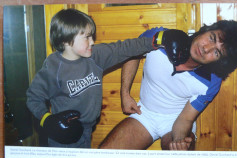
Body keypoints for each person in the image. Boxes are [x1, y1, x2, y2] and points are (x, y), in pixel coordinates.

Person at [26, 8, 176, 148]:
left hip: (86, 131)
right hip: (62, 136)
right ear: (66, 40)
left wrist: (156, 40)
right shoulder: (54, 67)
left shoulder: (95, 56)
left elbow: (124, 48)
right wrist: (47, 119)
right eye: (87, 37)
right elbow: (33, 97)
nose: (92, 41)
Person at [99, 20, 237, 150]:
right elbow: (132, 52)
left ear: (220, 62)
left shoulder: (211, 82)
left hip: (176, 119)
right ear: (206, 30)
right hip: (144, 114)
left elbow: (185, 118)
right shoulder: (162, 37)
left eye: (217, 53)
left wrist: (178, 140)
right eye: (212, 38)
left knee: (181, 154)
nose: (206, 49)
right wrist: (125, 93)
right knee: (102, 156)